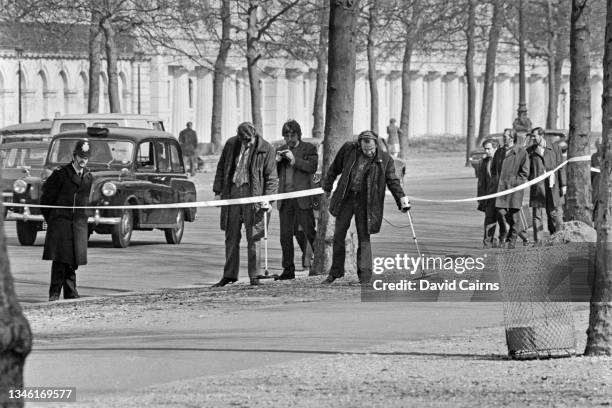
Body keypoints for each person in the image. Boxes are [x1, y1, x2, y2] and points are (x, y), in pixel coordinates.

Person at [321, 130, 411, 284]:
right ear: (360, 145)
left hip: (366, 201)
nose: (368, 152)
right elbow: (335, 168)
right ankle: (335, 273)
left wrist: (401, 199)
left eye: (370, 150)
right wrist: (327, 186)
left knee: (364, 237)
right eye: (365, 149)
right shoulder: (349, 149)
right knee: (338, 234)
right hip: (347, 197)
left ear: (375, 145)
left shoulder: (385, 160)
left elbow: (393, 182)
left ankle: (365, 276)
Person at [212, 122, 278, 287]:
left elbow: (271, 177)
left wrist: (268, 199)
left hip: (253, 196)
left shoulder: (266, 149)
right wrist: (218, 191)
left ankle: (254, 275)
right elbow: (222, 168)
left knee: (254, 236)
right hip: (233, 193)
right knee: (231, 236)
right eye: (243, 140)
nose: (246, 143)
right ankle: (229, 275)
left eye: (249, 140)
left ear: (254, 135)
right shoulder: (231, 144)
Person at [40, 139, 93, 301]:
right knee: (60, 260)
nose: (83, 160)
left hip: (78, 225)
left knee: (72, 261)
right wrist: (54, 219)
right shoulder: (61, 175)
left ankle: (71, 293)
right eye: (81, 156)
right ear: (74, 155)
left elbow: (85, 202)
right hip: (61, 223)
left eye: (86, 157)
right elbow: (46, 199)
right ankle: (54, 294)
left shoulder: (88, 177)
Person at [275, 119, 318, 280]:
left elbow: (312, 167)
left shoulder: (309, 148)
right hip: (285, 199)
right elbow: (275, 174)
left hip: (302, 198)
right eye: (286, 136)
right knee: (285, 236)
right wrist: (277, 163)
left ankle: (319, 263)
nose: (289, 139)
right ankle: (288, 270)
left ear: (299, 134)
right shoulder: (280, 149)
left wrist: (294, 160)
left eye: (292, 135)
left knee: (309, 232)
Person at [491, 128, 530, 249]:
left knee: (514, 216)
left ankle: (512, 239)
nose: (503, 138)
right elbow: (493, 168)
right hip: (500, 188)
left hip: (514, 189)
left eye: (505, 136)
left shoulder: (521, 152)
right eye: (503, 136)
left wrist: (515, 183)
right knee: (500, 212)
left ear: (512, 138)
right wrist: (496, 180)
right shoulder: (499, 152)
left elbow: (525, 172)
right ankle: (504, 234)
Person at [527, 127, 566, 244]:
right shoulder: (530, 151)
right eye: (532, 136)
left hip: (552, 185)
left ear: (541, 135)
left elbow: (561, 167)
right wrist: (532, 179)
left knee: (554, 213)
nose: (533, 138)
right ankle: (538, 240)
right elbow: (526, 169)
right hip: (538, 186)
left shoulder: (555, 148)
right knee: (537, 214)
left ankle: (556, 237)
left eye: (534, 136)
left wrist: (563, 184)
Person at [477, 138, 500, 248]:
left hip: (502, 196)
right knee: (489, 218)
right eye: (485, 149)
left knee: (505, 219)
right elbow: (481, 182)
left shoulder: (502, 160)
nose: (486, 151)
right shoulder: (484, 162)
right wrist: (481, 197)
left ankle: (504, 239)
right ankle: (487, 243)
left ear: (496, 148)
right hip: (489, 196)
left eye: (488, 149)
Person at [591, 139, 602, 223]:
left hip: (605, 183)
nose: (600, 146)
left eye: (601, 144)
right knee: (595, 200)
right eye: (598, 144)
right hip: (596, 182)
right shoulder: (594, 156)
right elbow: (590, 170)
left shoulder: (608, 155)